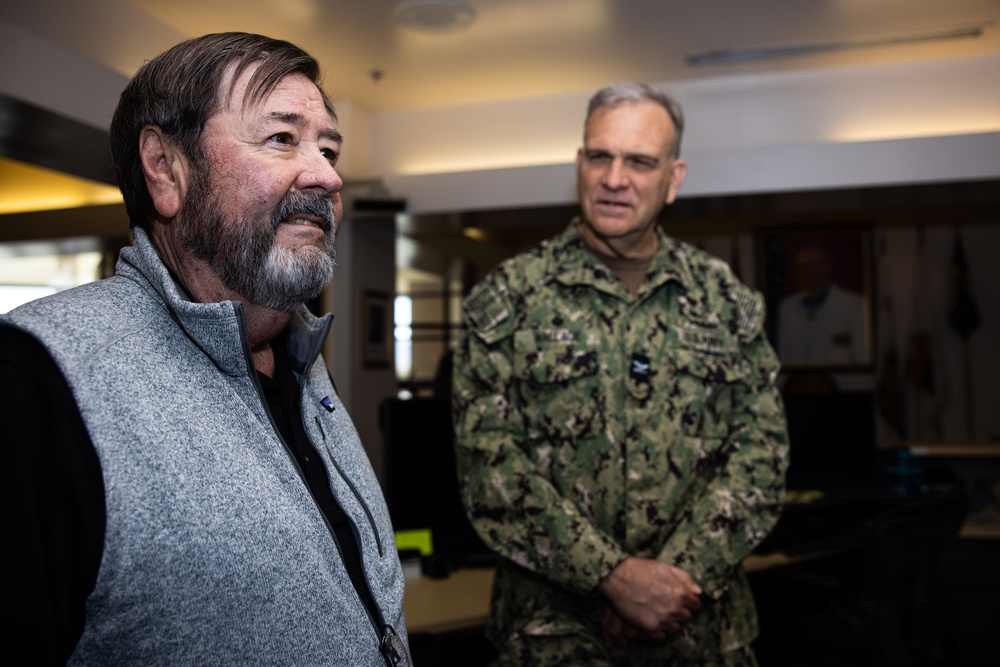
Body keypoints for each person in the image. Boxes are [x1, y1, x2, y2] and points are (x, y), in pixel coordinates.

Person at [1, 33, 410, 667]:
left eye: (329, 148)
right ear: (166, 168)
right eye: (282, 139)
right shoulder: (34, 381)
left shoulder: (307, 367)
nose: (328, 176)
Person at [452, 82, 789, 666]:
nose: (615, 177)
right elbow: (489, 467)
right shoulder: (509, 299)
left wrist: (674, 581)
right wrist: (611, 577)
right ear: (579, 164)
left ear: (674, 178)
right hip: (552, 637)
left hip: (700, 633)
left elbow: (760, 455)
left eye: (640, 161)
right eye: (600, 156)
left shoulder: (725, 301)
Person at [777, 242, 868, 365]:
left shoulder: (855, 305)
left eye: (812, 266)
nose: (806, 273)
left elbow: (862, 360)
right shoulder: (786, 307)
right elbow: (784, 357)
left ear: (826, 266)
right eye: (800, 267)